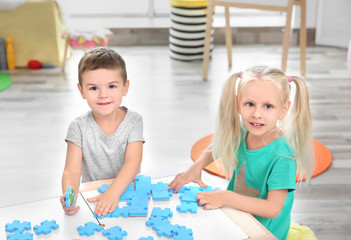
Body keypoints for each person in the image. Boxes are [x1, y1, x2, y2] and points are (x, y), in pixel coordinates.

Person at [169, 66, 314, 240]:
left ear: (283, 109)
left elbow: (272, 208)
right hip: (237, 216)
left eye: (268, 106)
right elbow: (219, 145)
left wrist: (225, 197)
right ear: (239, 103)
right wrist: (197, 166)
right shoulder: (244, 131)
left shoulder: (282, 156)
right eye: (250, 104)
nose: (256, 114)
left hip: (264, 232)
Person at [60, 47, 144, 217]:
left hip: (128, 191)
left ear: (125, 87)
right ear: (82, 91)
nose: (103, 95)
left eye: (112, 86)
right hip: (94, 196)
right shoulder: (78, 127)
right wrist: (69, 195)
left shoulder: (134, 120)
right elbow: (72, 171)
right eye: (93, 88)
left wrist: (113, 193)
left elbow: (133, 162)